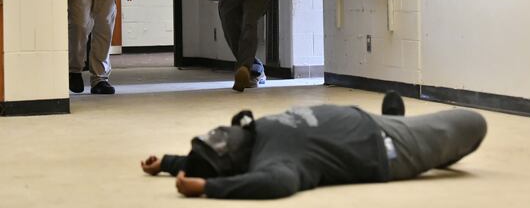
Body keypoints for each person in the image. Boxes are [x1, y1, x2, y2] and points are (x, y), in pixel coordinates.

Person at [140, 92, 487, 199]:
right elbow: (278, 184)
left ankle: (397, 117)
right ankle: (408, 129)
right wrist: (207, 187)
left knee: (394, 108)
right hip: (388, 147)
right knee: (474, 122)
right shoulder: (274, 160)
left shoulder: (254, 131)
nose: (222, 134)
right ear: (233, 160)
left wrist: (169, 162)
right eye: (220, 144)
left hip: (366, 121)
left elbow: (208, 157)